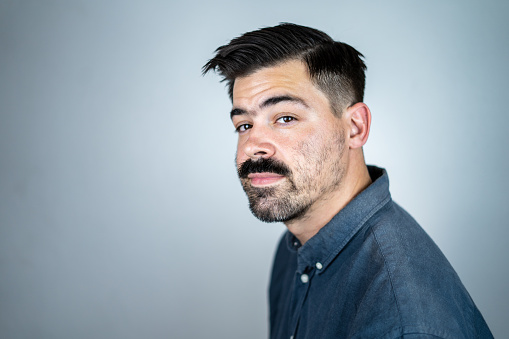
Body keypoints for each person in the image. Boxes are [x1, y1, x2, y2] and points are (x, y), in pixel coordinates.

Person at [202, 23, 493, 339]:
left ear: (355, 127)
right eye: (244, 124)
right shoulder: (295, 247)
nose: (253, 145)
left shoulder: (404, 321)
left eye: (285, 118)